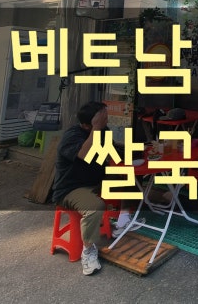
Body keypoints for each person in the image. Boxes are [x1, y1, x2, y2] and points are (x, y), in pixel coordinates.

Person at [52, 101, 132, 275]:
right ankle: (88, 251)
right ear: (88, 124)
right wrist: (96, 128)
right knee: (95, 207)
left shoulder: (104, 131)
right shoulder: (72, 136)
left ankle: (124, 219)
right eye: (102, 117)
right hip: (72, 188)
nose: (106, 119)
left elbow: (110, 152)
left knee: (128, 176)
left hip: (97, 180)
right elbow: (85, 154)